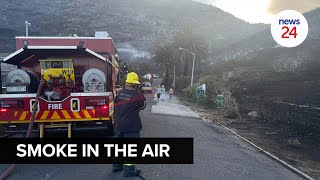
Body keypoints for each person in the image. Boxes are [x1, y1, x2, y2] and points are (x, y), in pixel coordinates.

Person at [112, 72, 146, 177]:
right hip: (131, 126)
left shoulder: (119, 93)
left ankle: (116, 166)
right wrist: (140, 92)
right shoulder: (137, 95)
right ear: (135, 84)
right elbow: (143, 106)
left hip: (119, 125)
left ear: (126, 82)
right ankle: (129, 170)